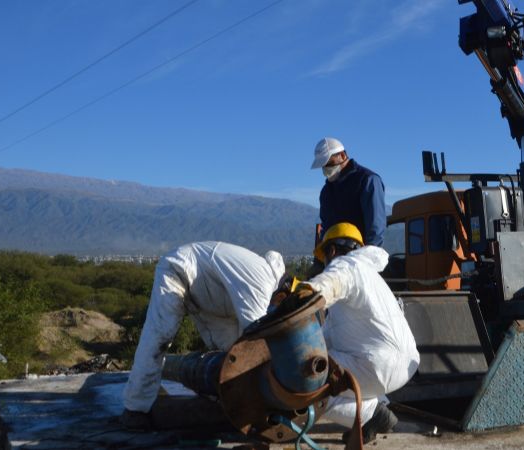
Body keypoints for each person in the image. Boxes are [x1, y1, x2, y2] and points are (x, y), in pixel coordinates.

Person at [121, 241, 286, 430]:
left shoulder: (259, 275)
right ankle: (135, 408)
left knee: (232, 351)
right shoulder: (261, 278)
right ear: (280, 289)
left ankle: (225, 395)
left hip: (207, 294)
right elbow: (255, 333)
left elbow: (244, 343)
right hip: (179, 270)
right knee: (159, 337)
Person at [298, 222, 419, 443]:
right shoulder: (370, 277)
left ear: (332, 251)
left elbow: (326, 285)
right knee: (326, 360)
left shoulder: (345, 265)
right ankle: (380, 405)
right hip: (402, 367)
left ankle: (371, 415)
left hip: (376, 364)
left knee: (306, 375)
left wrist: (300, 292)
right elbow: (328, 336)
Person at [311, 137, 386, 247]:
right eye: (323, 165)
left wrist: (367, 257)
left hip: (359, 256)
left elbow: (375, 229)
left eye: (329, 163)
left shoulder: (367, 181)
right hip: (334, 257)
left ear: (342, 155)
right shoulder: (326, 192)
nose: (326, 168)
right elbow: (326, 228)